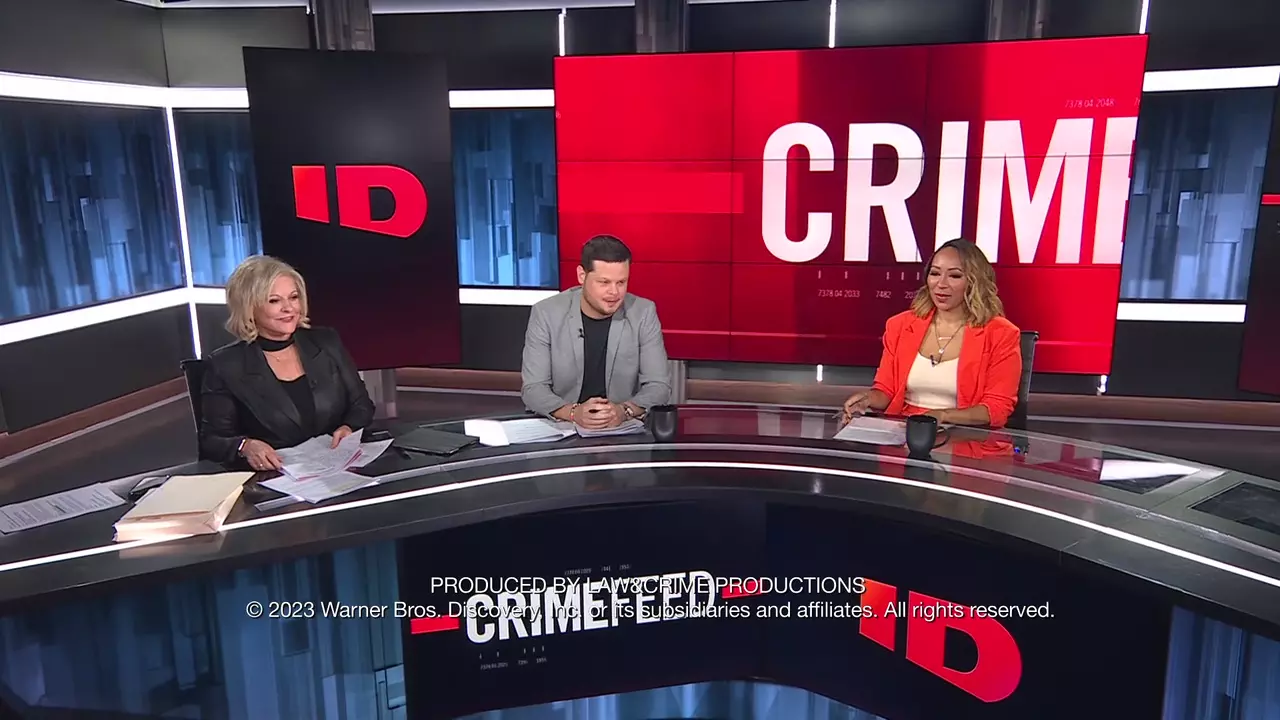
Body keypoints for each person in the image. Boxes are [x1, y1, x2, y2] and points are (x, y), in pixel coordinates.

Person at [199, 255, 375, 471]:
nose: (289, 308)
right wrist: (245, 445)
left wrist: (349, 428)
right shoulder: (226, 365)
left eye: (293, 297)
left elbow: (361, 404)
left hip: (340, 468)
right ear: (249, 307)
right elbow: (212, 440)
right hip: (277, 476)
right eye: (274, 301)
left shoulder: (326, 342)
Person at [840, 238, 1022, 428]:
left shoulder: (1001, 334)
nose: (941, 284)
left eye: (955, 276)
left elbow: (996, 408)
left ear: (974, 282)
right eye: (935, 273)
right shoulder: (900, 326)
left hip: (966, 435)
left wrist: (942, 415)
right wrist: (868, 398)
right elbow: (886, 391)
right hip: (904, 431)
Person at [521, 235, 671, 429]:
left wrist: (624, 411)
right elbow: (533, 388)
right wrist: (573, 413)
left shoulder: (643, 313)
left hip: (622, 429)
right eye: (604, 282)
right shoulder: (546, 313)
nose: (614, 292)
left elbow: (659, 386)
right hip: (563, 426)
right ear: (582, 276)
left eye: (621, 282)